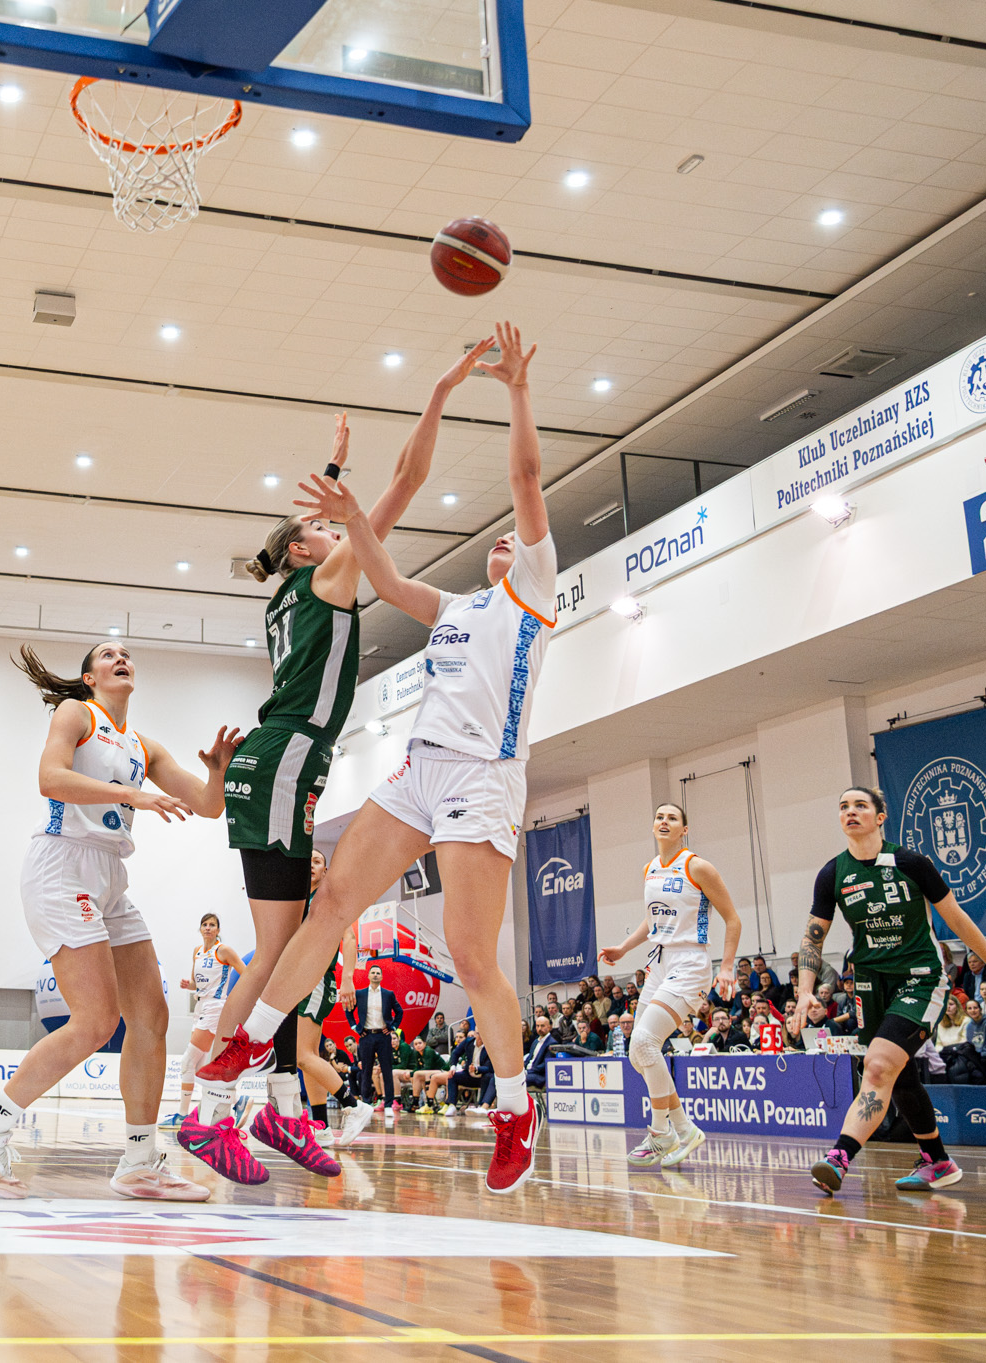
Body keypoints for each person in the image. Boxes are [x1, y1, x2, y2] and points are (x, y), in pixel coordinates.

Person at [198, 322, 554, 1195]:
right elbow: (387, 577)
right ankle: (254, 1042)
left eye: (511, 539)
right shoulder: (455, 604)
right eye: (496, 540)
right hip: (418, 769)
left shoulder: (532, 593)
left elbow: (523, 479)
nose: (502, 540)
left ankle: (515, 1107)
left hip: (481, 775)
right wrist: (358, 507)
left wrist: (510, 389)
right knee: (331, 905)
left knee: (471, 956)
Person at [0, 640, 236, 1201]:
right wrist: (132, 795)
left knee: (151, 1016)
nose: (120, 658)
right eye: (106, 655)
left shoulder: (144, 745)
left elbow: (207, 805)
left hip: (109, 876)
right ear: (89, 677)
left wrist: (218, 773)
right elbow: (51, 779)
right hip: (62, 866)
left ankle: (139, 1162)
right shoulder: (76, 713)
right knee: (97, 1020)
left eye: (125, 653)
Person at [796, 787, 986, 1194]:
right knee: (899, 1077)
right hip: (870, 984)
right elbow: (813, 938)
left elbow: (956, 918)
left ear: (880, 816)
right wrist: (804, 990)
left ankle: (839, 1157)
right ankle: (938, 1161)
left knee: (877, 1067)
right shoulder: (833, 873)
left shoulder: (911, 863)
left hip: (919, 978)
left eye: (860, 805)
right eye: (844, 806)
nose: (850, 812)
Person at [599, 802, 743, 1169]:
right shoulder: (649, 869)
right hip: (660, 962)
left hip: (691, 963)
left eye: (672, 818)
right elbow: (652, 921)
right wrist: (623, 948)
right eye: (659, 817)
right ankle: (684, 1129)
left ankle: (661, 1132)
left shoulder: (698, 867)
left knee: (645, 1043)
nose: (664, 821)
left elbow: (733, 919)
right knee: (638, 1053)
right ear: (653, 826)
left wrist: (727, 967)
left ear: (684, 829)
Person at [290, 857, 374, 1150]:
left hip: (316, 979)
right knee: (309, 1058)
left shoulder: (329, 896)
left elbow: (348, 937)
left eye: (317, 861)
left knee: (301, 1055)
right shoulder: (300, 899)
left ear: (325, 871)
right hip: (299, 980)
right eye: (308, 861)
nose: (311, 865)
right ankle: (322, 1128)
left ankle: (353, 1105)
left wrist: (348, 977)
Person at [173, 912, 243, 1123]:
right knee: (199, 1067)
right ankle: (238, 1101)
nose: (208, 928)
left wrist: (237, 1000)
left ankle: (182, 1116)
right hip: (200, 1006)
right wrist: (189, 985)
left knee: (187, 1062)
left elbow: (247, 973)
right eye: (205, 924)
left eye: (212, 925)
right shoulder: (197, 952)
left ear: (218, 930)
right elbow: (196, 983)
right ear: (200, 928)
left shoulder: (223, 950)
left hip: (215, 1007)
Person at [347, 963, 403, 1123]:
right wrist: (355, 1027)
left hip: (383, 1036)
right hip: (366, 1036)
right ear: (368, 975)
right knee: (366, 1070)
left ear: (382, 977)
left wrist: (393, 1027)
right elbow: (349, 1010)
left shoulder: (388, 994)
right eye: (373, 972)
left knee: (387, 1070)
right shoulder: (360, 994)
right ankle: (366, 1103)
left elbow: (399, 1011)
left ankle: (388, 1104)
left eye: (378, 973)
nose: (376, 975)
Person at [522, 1015, 555, 1090]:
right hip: (528, 1072)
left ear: (549, 1027)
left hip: (539, 1076)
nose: (539, 1028)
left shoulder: (552, 1043)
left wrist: (528, 1071)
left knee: (516, 1081)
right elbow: (529, 1059)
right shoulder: (535, 1041)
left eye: (542, 1026)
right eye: (537, 1026)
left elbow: (545, 1065)